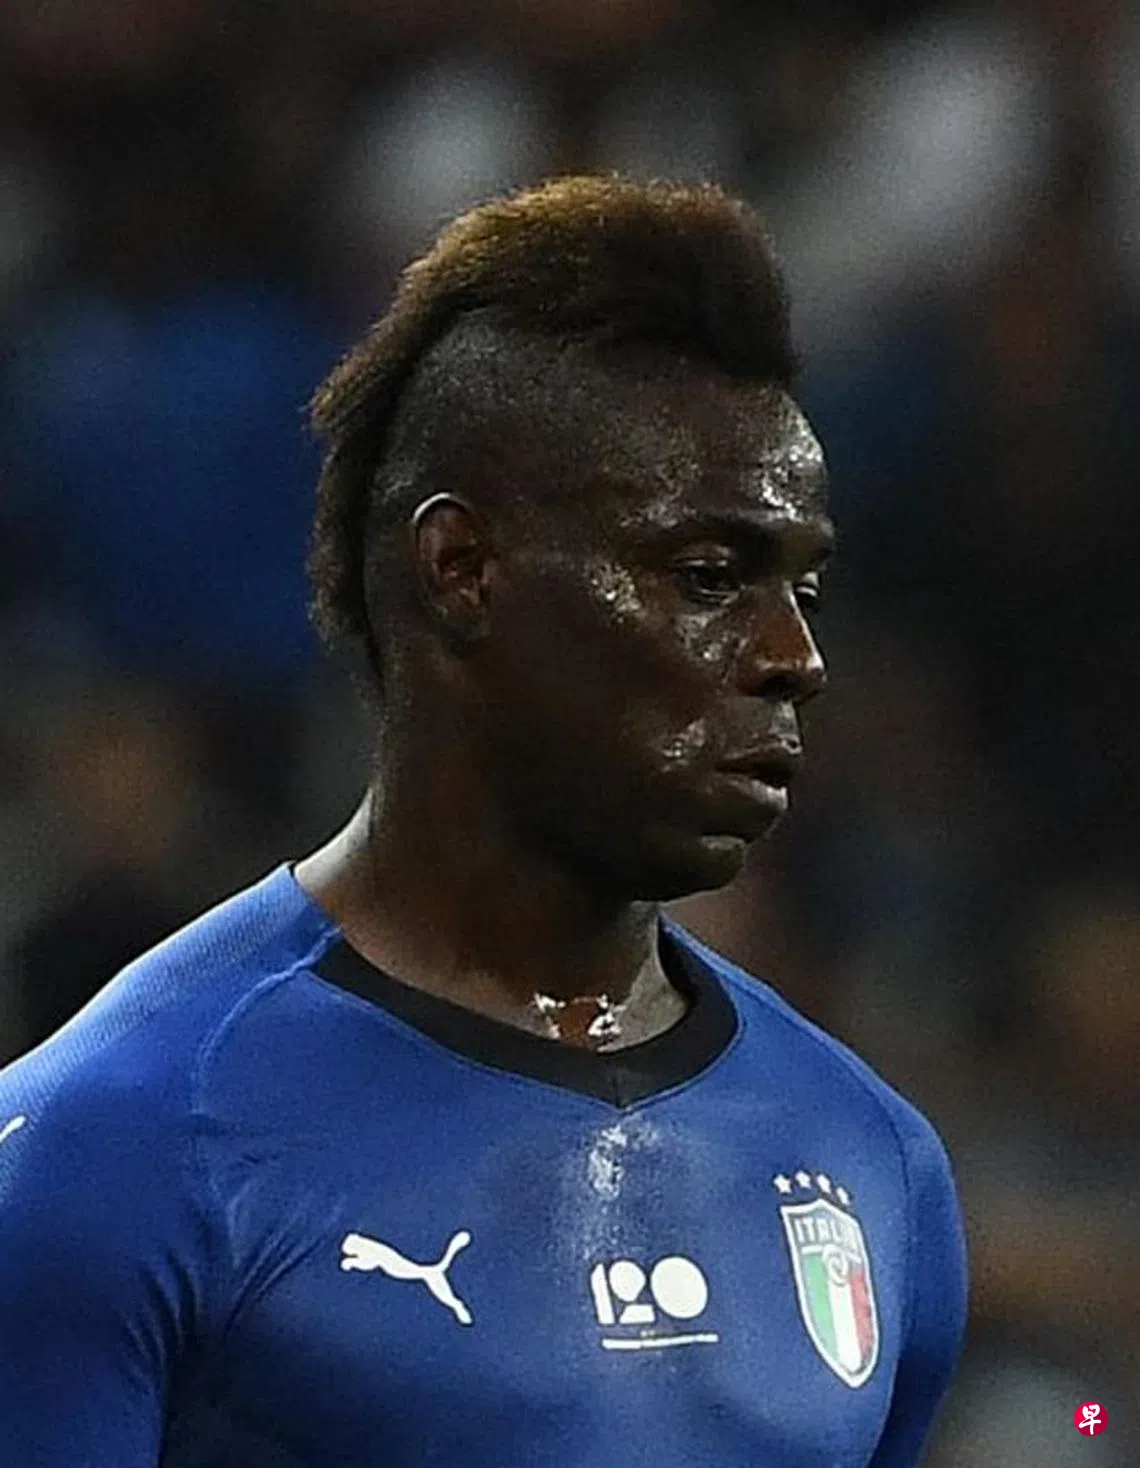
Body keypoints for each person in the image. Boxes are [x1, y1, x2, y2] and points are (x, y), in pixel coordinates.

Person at [0, 177, 966, 1467]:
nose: (795, 657)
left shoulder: (875, 1165)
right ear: (461, 569)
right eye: (708, 577)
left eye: (806, 589)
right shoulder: (116, 1149)